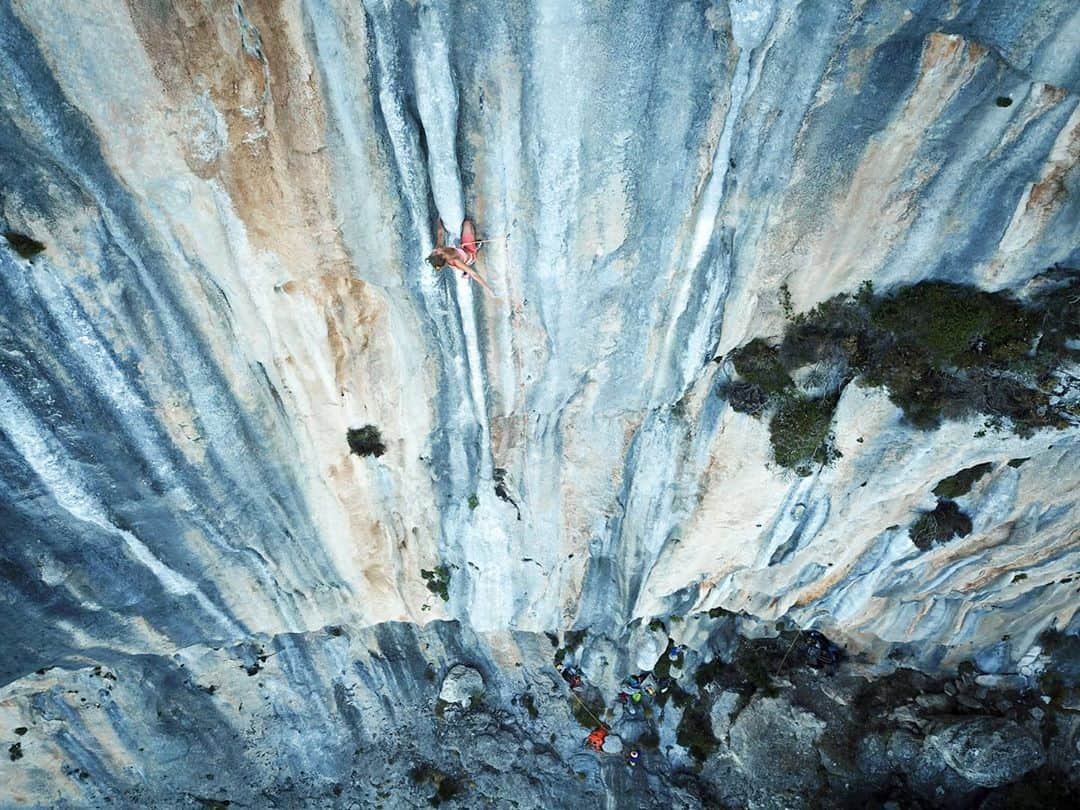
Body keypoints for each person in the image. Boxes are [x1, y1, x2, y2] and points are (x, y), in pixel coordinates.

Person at [427, 218, 495, 298]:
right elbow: (473, 274)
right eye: (435, 252)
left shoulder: (440, 249)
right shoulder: (455, 261)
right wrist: (488, 289)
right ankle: (476, 247)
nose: (435, 249)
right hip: (469, 253)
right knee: (467, 223)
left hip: (462, 249)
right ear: (442, 256)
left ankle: (465, 258)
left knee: (466, 223)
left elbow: (440, 233)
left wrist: (440, 219)